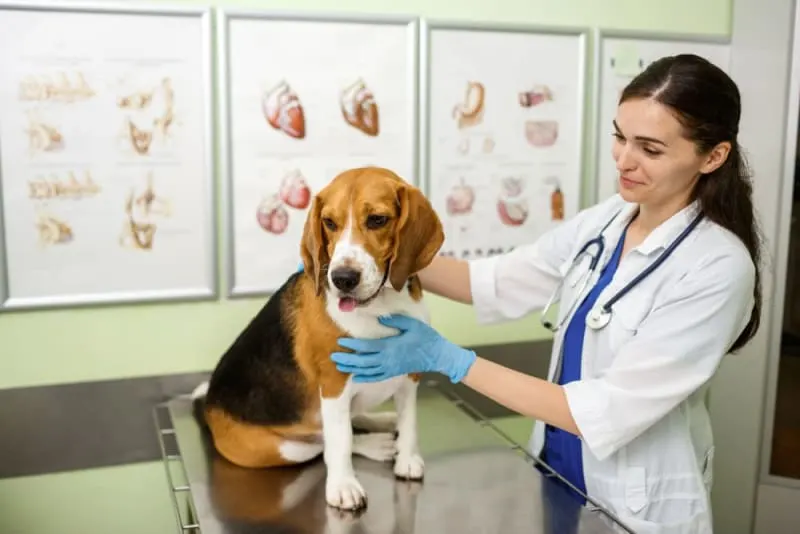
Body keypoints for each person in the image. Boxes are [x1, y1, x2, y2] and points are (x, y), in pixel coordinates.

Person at [311, 54, 763, 532]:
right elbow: (495, 281)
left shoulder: (718, 268)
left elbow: (603, 411)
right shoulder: (609, 218)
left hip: (637, 505)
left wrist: (449, 359)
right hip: (556, 471)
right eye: (620, 137)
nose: (625, 161)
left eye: (649, 149)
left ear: (713, 156)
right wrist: (366, 261)